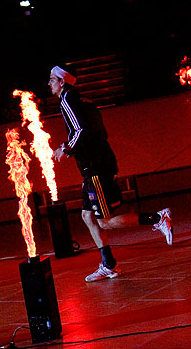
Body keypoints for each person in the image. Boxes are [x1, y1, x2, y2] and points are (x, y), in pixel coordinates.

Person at [49, 65, 173, 282]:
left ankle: (157, 218)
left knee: (104, 221)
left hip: (95, 168)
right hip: (97, 164)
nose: (49, 84)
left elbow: (80, 130)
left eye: (51, 79)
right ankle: (109, 265)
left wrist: (66, 148)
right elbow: (97, 132)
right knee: (87, 216)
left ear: (62, 82)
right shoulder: (84, 100)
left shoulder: (67, 99)